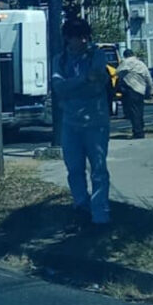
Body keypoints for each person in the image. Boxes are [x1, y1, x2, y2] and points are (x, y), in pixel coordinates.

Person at [50, 17, 111, 227]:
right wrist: (84, 80)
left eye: (86, 36)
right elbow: (58, 87)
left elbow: (97, 85)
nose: (84, 41)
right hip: (70, 122)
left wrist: (72, 85)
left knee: (99, 168)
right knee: (74, 168)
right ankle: (81, 205)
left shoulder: (97, 55)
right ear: (68, 38)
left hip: (96, 122)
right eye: (79, 37)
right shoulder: (60, 60)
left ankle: (100, 213)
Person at [116, 48, 153, 139]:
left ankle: (137, 132)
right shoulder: (141, 64)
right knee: (139, 111)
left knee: (133, 112)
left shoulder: (126, 62)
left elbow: (117, 72)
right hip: (140, 90)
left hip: (130, 89)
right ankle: (141, 130)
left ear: (125, 55)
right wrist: (151, 89)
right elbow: (148, 77)